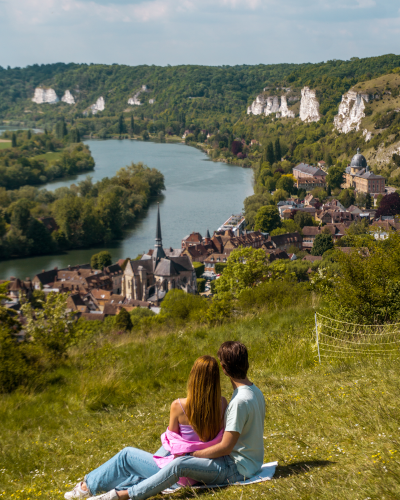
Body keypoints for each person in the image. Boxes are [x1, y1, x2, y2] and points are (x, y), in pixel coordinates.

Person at [66, 341, 265, 500]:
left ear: (224, 368)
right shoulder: (251, 393)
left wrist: (192, 454)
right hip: (247, 464)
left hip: (234, 468)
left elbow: (225, 447)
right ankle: (104, 488)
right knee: (158, 458)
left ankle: (102, 490)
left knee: (129, 456)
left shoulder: (236, 402)